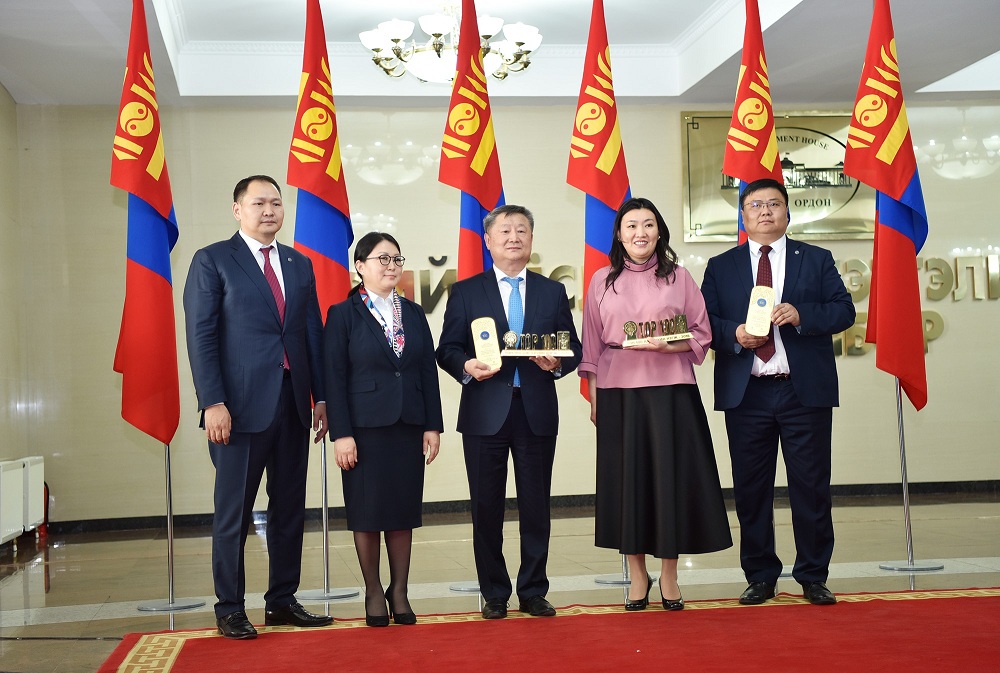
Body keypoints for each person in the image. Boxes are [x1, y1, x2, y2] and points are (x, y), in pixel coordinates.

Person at [183, 175, 332, 639]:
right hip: (238, 410)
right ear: (237, 209)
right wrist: (213, 401)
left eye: (276, 203)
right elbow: (201, 336)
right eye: (258, 203)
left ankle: (282, 600)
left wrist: (321, 397)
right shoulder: (212, 260)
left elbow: (311, 333)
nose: (269, 210)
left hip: (293, 404)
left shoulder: (298, 263)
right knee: (234, 513)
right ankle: (229, 607)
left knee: (289, 509)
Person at [701, 177, 856, 606]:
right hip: (747, 392)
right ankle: (761, 575)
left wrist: (802, 314)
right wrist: (735, 334)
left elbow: (844, 310)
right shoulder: (722, 265)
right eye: (756, 205)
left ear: (788, 212)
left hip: (802, 392)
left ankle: (813, 575)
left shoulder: (816, 259)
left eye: (774, 203)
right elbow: (704, 322)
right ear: (743, 216)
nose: (765, 211)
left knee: (811, 486)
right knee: (751, 490)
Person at [579, 197, 732, 612]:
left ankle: (669, 574)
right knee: (627, 482)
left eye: (648, 224)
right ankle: (636, 574)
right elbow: (591, 346)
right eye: (631, 225)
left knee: (670, 480)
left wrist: (668, 345)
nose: (640, 233)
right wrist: (594, 398)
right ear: (618, 234)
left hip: (671, 390)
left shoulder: (679, 277)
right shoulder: (601, 280)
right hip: (618, 391)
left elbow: (702, 332)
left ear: (659, 231)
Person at [436, 204, 582, 620]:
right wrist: (466, 366)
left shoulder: (551, 291)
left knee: (537, 506)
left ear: (532, 239)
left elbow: (572, 346)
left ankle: (534, 590)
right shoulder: (466, 291)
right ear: (488, 240)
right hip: (485, 412)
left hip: (536, 410)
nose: (514, 237)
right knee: (486, 508)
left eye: (522, 230)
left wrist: (557, 363)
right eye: (505, 231)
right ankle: (495, 592)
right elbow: (447, 349)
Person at [324, 232, 443, 627]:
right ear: (360, 266)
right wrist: (342, 433)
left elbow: (426, 371)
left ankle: (400, 590)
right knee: (367, 512)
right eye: (382, 259)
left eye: (396, 259)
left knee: (402, 511)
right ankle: (374, 590)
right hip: (363, 430)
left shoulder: (413, 313)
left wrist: (432, 425)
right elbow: (334, 378)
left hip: (408, 425)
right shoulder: (343, 314)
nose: (391, 266)